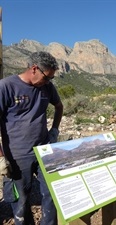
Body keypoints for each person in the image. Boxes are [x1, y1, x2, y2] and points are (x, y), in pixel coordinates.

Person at [0, 51, 63, 225]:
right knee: (20, 200)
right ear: (34, 69)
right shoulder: (6, 87)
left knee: (51, 192)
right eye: (47, 77)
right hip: (17, 156)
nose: (48, 82)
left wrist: (54, 130)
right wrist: (0, 158)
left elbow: (59, 106)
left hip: (44, 150)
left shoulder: (47, 87)